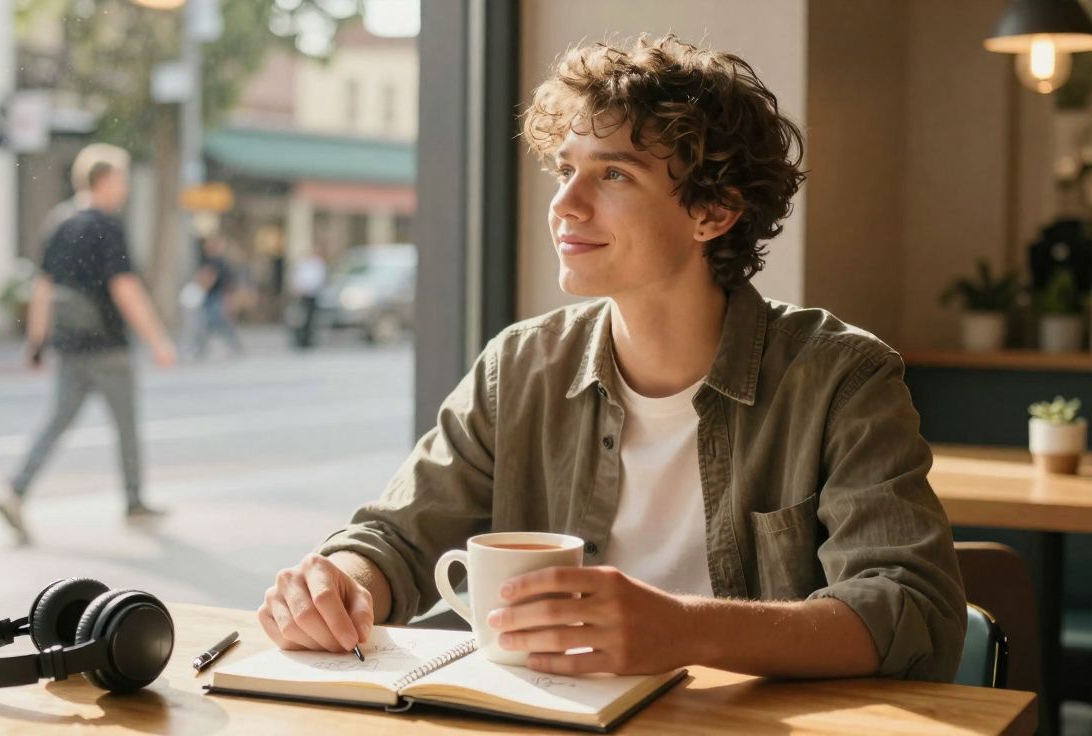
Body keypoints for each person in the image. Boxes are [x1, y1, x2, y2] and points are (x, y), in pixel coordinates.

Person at [258, 34, 967, 683]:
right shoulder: (520, 368)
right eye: (565, 169)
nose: (565, 203)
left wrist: (686, 630)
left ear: (713, 211)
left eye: (614, 176)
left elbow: (908, 611)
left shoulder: (842, 379)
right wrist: (341, 581)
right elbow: (396, 539)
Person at [0, 144, 177, 544]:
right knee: (126, 426)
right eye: (122, 180)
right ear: (105, 180)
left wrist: (36, 342)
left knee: (56, 422)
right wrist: (157, 339)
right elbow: (125, 288)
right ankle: (134, 502)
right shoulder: (107, 226)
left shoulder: (58, 222)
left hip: (68, 346)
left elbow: (43, 288)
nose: (125, 189)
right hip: (108, 346)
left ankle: (15, 490)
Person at [183, 233, 244, 359]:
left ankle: (232, 345)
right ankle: (200, 349)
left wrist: (228, 298)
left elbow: (224, 281)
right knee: (204, 324)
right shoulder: (206, 260)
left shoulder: (220, 262)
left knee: (217, 323)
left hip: (216, 297)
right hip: (206, 297)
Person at [288, 244, 327, 349]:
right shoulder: (303, 264)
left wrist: (310, 289)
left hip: (312, 295)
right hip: (301, 295)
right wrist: (299, 288)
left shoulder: (318, 264)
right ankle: (299, 339)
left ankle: (308, 339)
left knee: (311, 318)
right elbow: (295, 277)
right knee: (300, 318)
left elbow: (319, 280)